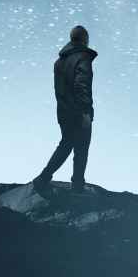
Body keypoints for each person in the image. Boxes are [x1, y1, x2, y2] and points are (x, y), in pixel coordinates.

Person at [33, 25, 97, 192]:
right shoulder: (83, 57)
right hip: (79, 111)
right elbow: (82, 85)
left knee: (66, 144)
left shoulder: (59, 62)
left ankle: (43, 177)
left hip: (63, 112)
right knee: (81, 149)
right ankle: (77, 187)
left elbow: (59, 88)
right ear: (85, 40)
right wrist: (85, 111)